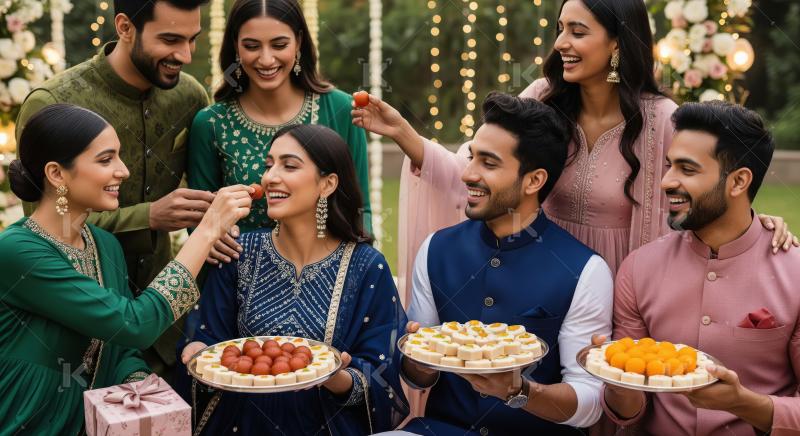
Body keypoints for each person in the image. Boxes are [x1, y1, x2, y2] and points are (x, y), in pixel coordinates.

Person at [352, 0, 797, 303]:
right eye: (560, 29)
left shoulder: (663, 119)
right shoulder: (542, 97)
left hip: (625, 286)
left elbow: (699, 195)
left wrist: (759, 225)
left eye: (577, 31)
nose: (561, 43)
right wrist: (405, 134)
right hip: (537, 274)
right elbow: (482, 167)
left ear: (618, 43)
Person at [0, 104, 251, 435]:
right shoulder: (17, 251)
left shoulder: (106, 245)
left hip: (98, 424)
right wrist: (207, 230)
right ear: (57, 174)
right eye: (106, 160)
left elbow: (121, 349)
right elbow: (132, 324)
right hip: (29, 422)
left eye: (119, 156)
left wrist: (143, 392)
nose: (123, 171)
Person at [14, 0, 212, 377]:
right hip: (75, 338)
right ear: (124, 27)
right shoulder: (54, 101)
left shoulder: (190, 96)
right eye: (170, 39)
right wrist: (149, 216)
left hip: (172, 328)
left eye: (192, 40)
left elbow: (201, 195)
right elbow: (45, 225)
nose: (184, 55)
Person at [398, 93, 612, 435]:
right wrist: (416, 360)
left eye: (489, 163)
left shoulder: (585, 269)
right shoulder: (436, 249)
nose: (468, 174)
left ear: (534, 180)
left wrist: (521, 391)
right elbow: (417, 377)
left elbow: (589, 402)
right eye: (471, 157)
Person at [179, 124, 407, 435]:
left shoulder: (366, 266)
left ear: (327, 184)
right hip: (243, 425)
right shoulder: (240, 253)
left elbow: (383, 372)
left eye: (289, 165)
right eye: (269, 164)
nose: (270, 177)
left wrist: (336, 377)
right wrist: (197, 348)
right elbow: (209, 338)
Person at [599, 101, 800, 435]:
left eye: (687, 170)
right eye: (669, 166)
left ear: (738, 182)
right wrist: (616, 380)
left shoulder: (794, 272)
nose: (666, 182)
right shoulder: (639, 269)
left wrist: (742, 402)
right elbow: (628, 409)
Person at [188, 0, 372, 268]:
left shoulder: (340, 110)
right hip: (238, 283)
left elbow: (359, 209)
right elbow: (199, 218)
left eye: (279, 45)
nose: (265, 59)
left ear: (298, 42)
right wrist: (210, 238)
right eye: (251, 46)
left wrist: (348, 272)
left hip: (326, 278)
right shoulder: (211, 123)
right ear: (235, 47)